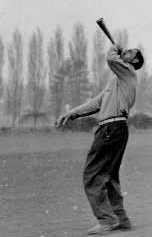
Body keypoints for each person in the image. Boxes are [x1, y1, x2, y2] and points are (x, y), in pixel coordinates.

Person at [55, 45, 144, 235]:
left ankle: (107, 219)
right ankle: (121, 220)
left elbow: (111, 59)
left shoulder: (128, 73)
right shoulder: (117, 82)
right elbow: (95, 103)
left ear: (135, 61)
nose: (125, 52)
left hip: (111, 129)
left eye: (129, 52)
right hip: (115, 130)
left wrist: (114, 49)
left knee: (91, 174)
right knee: (109, 177)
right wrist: (72, 113)